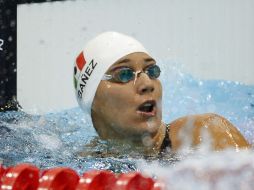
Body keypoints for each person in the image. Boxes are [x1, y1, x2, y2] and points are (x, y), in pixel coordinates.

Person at [73, 31, 250, 154]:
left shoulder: (204, 134)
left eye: (152, 71)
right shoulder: (83, 160)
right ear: (93, 100)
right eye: (124, 74)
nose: (147, 83)